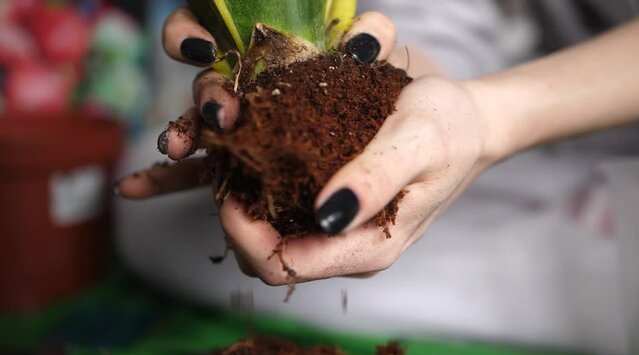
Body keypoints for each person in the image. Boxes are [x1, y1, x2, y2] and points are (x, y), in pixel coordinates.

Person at [115, 2, 639, 284]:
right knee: (148, 220)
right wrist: (389, 97)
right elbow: (445, 30)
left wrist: (489, 117)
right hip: (526, 133)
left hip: (539, 115)